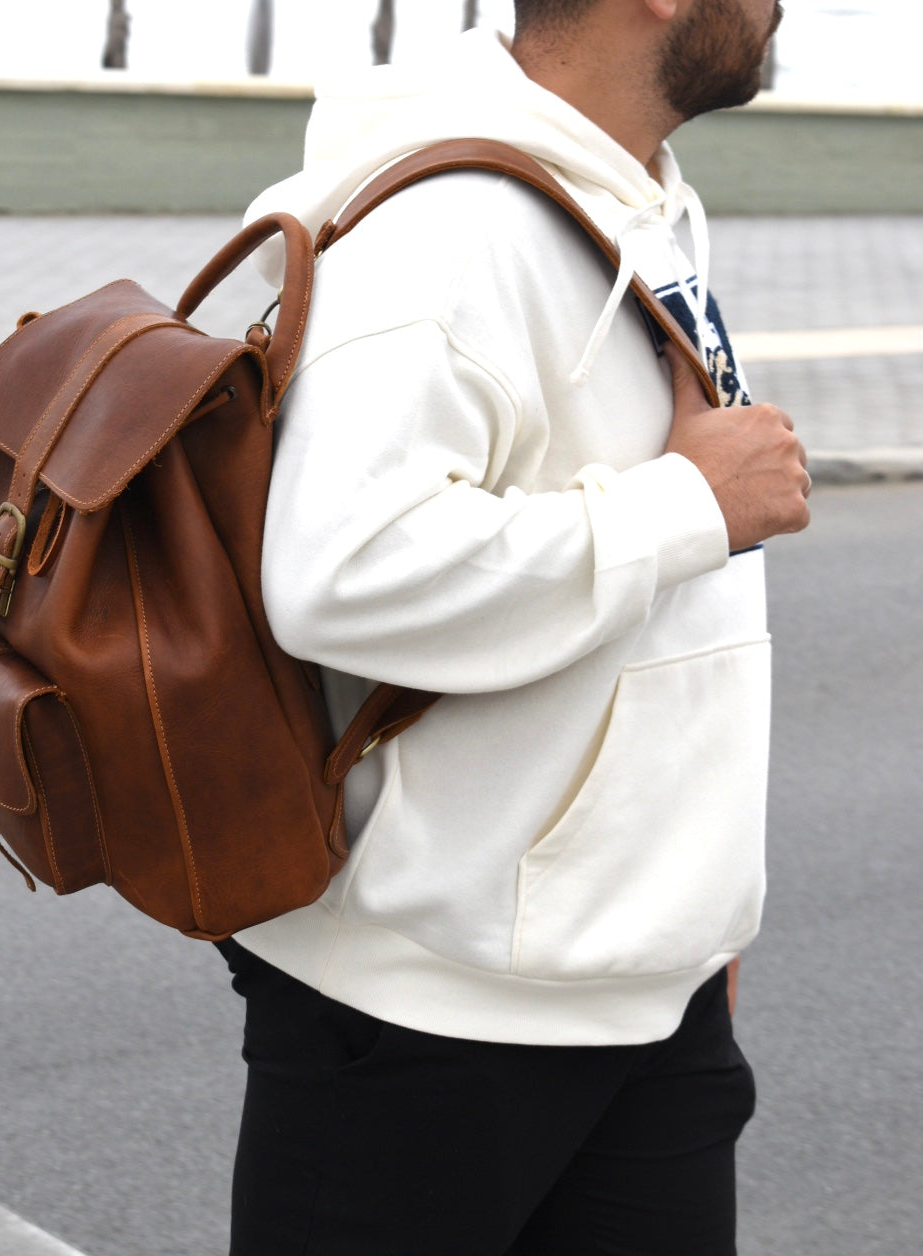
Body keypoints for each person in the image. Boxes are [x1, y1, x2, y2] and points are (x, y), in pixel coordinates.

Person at [217, 2, 810, 1252]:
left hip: (641, 998)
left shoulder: (623, 198)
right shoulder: (451, 226)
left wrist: (695, 922)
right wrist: (690, 501)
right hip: (425, 1023)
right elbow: (343, 571)